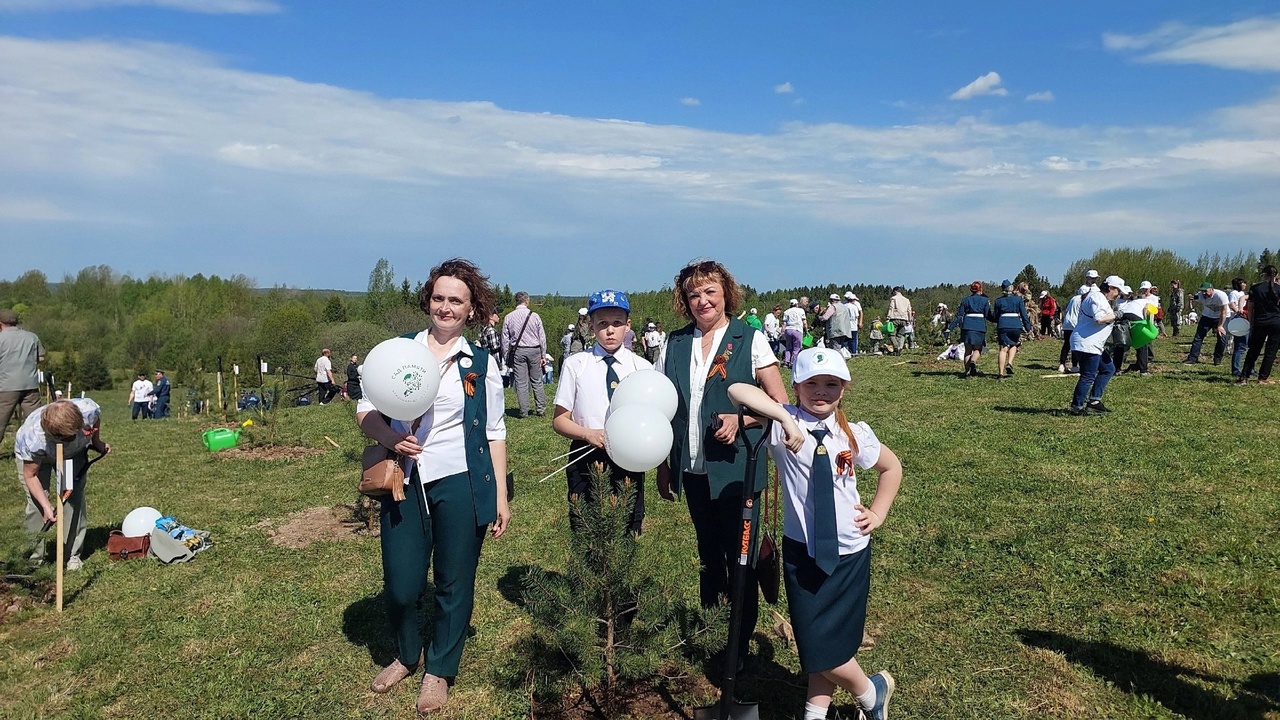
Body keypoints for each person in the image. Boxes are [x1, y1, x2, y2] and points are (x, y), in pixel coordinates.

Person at [357, 258, 510, 713]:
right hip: (404, 482)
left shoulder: (480, 365)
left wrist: (500, 495)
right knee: (402, 584)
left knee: (454, 581)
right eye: (439, 298)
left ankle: (439, 669)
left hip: (461, 482)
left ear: (471, 309)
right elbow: (365, 409)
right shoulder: (397, 351)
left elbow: (495, 432)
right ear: (429, 300)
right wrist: (390, 438)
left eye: (456, 301)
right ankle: (406, 653)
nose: (446, 307)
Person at [726, 347, 901, 720]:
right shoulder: (780, 424)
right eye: (812, 384)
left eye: (831, 384)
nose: (821, 392)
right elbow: (738, 391)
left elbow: (892, 469)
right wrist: (783, 418)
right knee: (813, 641)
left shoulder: (854, 434)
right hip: (803, 552)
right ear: (796, 386)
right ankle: (872, 694)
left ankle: (814, 713)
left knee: (830, 641)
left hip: (850, 552)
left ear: (843, 389)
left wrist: (877, 512)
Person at [655, 259, 788, 666]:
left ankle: (739, 644)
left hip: (737, 471)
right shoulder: (673, 344)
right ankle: (715, 636)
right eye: (693, 294)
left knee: (740, 557)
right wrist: (663, 464)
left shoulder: (750, 338)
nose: (702, 301)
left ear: (726, 293)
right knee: (709, 556)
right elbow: (662, 407)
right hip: (694, 471)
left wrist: (743, 417)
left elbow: (781, 404)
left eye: (710, 291)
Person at [553, 290, 651, 535]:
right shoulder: (575, 365)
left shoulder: (643, 368)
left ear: (628, 325)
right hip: (585, 455)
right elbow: (559, 420)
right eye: (602, 323)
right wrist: (587, 434)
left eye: (617, 323)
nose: (610, 330)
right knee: (584, 526)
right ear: (590, 325)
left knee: (629, 525)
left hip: (629, 457)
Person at [16, 397, 110, 570]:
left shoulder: (88, 410)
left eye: (70, 436)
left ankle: (72, 555)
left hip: (72, 457)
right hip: (39, 459)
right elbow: (30, 476)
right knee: (37, 504)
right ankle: (34, 558)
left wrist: (96, 442)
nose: (66, 440)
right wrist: (46, 506)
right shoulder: (32, 437)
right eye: (62, 437)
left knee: (72, 500)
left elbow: (96, 420)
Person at [1069, 275, 1124, 415]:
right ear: (1110, 288)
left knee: (1108, 369)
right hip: (1087, 342)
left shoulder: (1101, 299)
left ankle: (1094, 401)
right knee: (1088, 376)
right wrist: (1117, 315)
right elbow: (1099, 318)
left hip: (1092, 343)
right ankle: (1077, 406)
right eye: (1117, 291)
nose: (1117, 295)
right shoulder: (1097, 298)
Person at [0, 308, 46, 446]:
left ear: (0, 323)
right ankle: (40, 448)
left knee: (1, 421)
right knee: (36, 420)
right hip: (30, 385)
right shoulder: (31, 336)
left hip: (6, 386)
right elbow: (41, 358)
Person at [501, 291, 548, 418]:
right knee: (537, 381)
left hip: (518, 351)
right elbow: (542, 337)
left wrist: (506, 356)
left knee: (521, 382)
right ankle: (541, 409)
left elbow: (505, 340)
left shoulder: (508, 317)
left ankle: (523, 411)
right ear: (527, 301)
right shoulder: (535, 316)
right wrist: (543, 355)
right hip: (534, 350)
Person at [1237, 264, 1280, 384]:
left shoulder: (1255, 288)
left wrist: (1251, 323)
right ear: (1275, 276)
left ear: (1264, 275)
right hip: (1276, 322)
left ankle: (1244, 377)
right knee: (1271, 352)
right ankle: (1263, 378)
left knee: (1253, 350)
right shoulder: (1279, 289)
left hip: (1260, 322)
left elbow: (1250, 308)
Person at [948, 281, 991, 377]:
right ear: (980, 289)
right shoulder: (984, 300)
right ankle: (973, 361)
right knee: (978, 348)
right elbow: (988, 315)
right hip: (979, 326)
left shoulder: (965, 300)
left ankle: (967, 372)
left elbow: (959, 316)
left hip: (967, 326)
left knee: (968, 350)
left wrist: (950, 328)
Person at [1183, 281, 1231, 366]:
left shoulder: (1221, 295)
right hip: (1207, 316)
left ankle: (1217, 359)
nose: (1204, 293)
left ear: (1212, 289)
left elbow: (1224, 311)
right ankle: (1192, 358)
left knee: (1222, 338)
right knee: (1198, 337)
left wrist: (1220, 326)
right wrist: (1189, 300)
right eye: (1202, 291)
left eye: (1206, 291)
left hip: (1222, 317)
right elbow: (1190, 307)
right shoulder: (1200, 295)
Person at [1228, 277, 1249, 378]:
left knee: (1247, 346)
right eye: (1243, 283)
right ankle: (1236, 370)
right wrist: (1238, 311)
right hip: (1239, 319)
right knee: (1240, 346)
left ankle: (1249, 368)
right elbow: (1231, 303)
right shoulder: (1234, 293)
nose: (1245, 284)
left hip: (1246, 318)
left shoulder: (1243, 294)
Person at [886, 287, 912, 355]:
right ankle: (898, 348)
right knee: (900, 335)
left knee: (891, 334)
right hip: (904, 319)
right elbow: (909, 310)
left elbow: (891, 308)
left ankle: (896, 347)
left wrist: (888, 317)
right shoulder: (906, 300)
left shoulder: (894, 298)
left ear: (895, 291)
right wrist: (909, 319)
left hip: (895, 317)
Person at [782, 299, 807, 367]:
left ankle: (786, 361)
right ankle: (793, 362)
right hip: (797, 329)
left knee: (788, 347)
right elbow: (804, 322)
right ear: (797, 304)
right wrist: (806, 330)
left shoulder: (786, 311)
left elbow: (784, 323)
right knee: (797, 347)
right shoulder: (801, 311)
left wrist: (782, 332)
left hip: (788, 330)